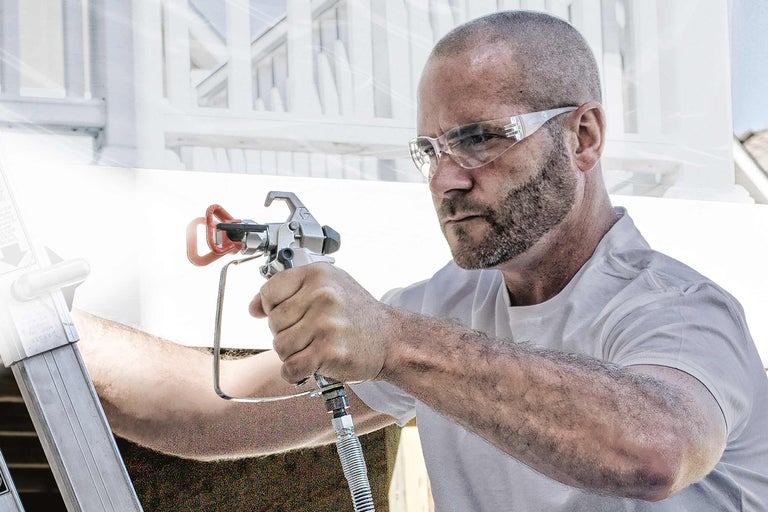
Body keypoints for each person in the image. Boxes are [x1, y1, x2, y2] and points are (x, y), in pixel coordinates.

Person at [75, 10, 768, 511]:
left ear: (582, 138)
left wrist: (398, 344)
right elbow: (204, 409)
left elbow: (654, 451)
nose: (445, 180)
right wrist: (34, 322)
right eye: (430, 152)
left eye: (479, 139)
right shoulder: (450, 308)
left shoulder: (678, 311)